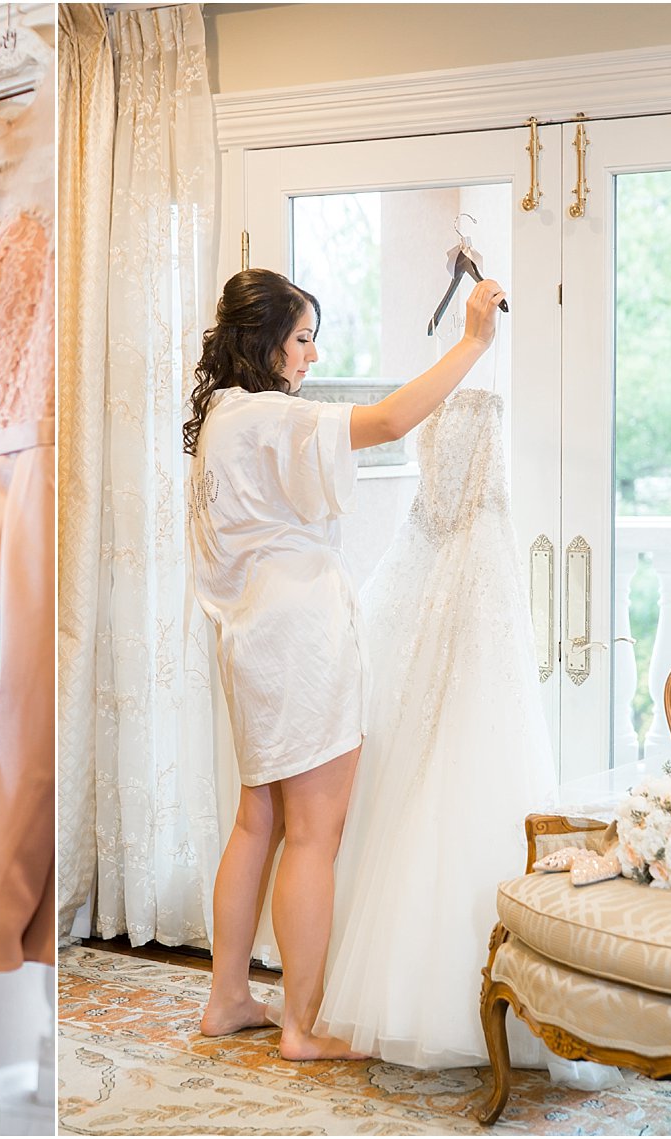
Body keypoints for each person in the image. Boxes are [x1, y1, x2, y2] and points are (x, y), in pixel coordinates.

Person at [182, 267, 506, 1060]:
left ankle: (228, 996)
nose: (312, 353)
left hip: (248, 636)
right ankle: (302, 1025)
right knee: (314, 837)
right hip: (299, 636)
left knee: (258, 818)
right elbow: (393, 419)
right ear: (264, 343)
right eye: (301, 337)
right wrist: (473, 340)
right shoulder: (266, 415)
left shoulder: (222, 417)